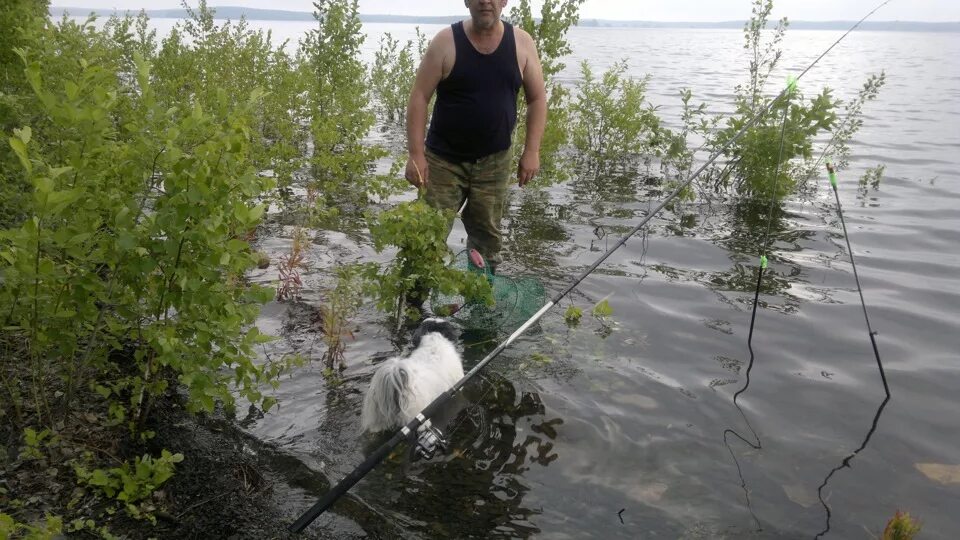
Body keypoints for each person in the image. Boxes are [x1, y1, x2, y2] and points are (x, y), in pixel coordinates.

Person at [405, 0, 547, 274]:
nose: (486, 1)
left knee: (487, 242)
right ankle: (412, 308)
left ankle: (480, 304)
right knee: (426, 236)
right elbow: (419, 97)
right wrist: (416, 155)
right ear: (467, 1)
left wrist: (532, 151)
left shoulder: (522, 43)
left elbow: (537, 98)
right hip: (443, 162)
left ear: (504, 1)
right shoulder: (446, 42)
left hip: (495, 162)